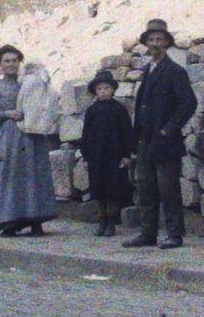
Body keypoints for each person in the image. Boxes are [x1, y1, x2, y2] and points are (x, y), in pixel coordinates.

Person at [125, 19, 197, 250]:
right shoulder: (148, 70)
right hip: (146, 142)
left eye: (159, 39)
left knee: (168, 190)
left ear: (166, 43)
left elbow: (189, 103)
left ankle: (175, 235)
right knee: (146, 188)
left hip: (165, 142)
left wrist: (169, 128)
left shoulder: (175, 71)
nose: (155, 44)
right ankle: (148, 234)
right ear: (146, 43)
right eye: (151, 40)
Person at [0, 45, 58, 237]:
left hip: (32, 137)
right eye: (6, 61)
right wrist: (6, 114)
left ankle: (36, 221)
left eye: (14, 60)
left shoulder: (30, 83)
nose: (11, 64)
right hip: (8, 138)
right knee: (9, 177)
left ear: (20, 62)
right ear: (0, 64)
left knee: (33, 175)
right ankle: (10, 222)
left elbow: (47, 99)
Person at [78, 69, 134, 237]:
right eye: (99, 89)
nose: (103, 91)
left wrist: (126, 155)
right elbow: (86, 134)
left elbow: (127, 133)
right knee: (99, 190)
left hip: (114, 156)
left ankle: (111, 221)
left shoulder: (119, 110)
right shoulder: (92, 110)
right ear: (95, 91)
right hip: (97, 157)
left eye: (106, 88)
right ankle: (102, 220)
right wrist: (86, 156)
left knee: (113, 190)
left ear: (113, 90)